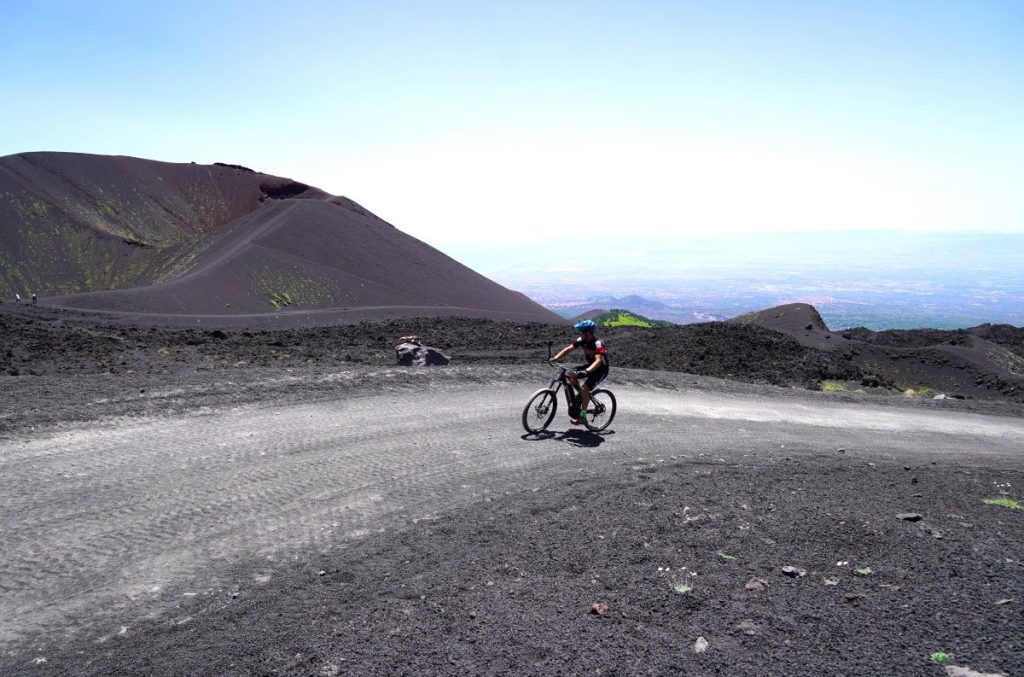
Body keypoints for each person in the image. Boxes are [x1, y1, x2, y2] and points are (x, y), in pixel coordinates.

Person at [550, 319, 609, 425]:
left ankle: (582, 415)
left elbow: (598, 361)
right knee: (570, 374)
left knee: (585, 388)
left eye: (582, 332)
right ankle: (582, 395)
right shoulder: (582, 339)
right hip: (589, 366)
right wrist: (555, 358)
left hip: (601, 369)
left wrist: (586, 371)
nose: (580, 334)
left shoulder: (598, 344)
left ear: (589, 333)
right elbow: (568, 349)